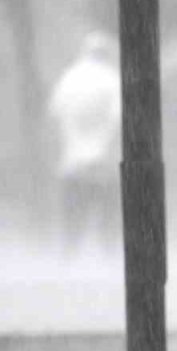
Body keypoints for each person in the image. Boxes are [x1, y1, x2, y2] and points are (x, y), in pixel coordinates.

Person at [47, 32, 122, 255]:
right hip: (103, 159)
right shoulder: (111, 78)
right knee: (107, 212)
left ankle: (70, 253)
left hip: (73, 159)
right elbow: (119, 117)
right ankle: (109, 252)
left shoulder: (69, 77)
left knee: (73, 211)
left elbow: (54, 112)